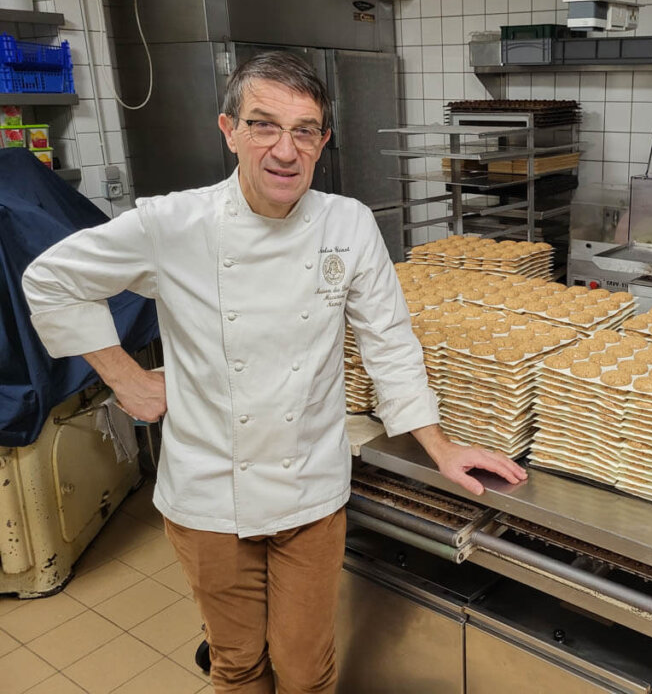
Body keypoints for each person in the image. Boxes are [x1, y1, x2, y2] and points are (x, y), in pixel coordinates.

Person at [22, 51, 527, 693]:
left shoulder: (349, 225)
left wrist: (439, 446)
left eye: (304, 130)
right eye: (264, 125)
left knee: (306, 669)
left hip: (310, 486)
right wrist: (128, 379)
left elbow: (389, 342)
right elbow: (51, 280)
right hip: (207, 490)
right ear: (228, 131)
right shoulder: (173, 223)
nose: (285, 150)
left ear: (323, 141)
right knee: (238, 664)